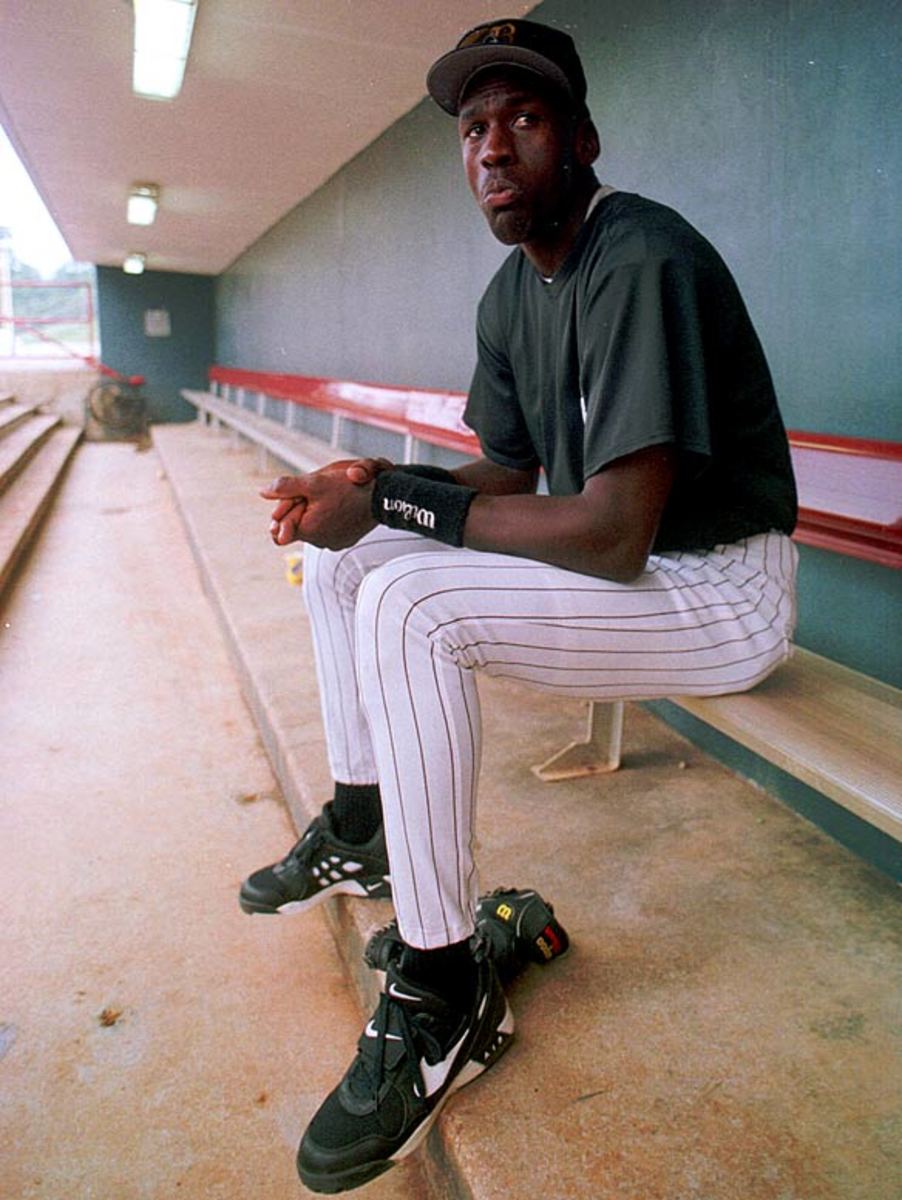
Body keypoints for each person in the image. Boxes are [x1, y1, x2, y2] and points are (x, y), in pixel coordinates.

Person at [240, 18, 798, 1193]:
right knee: (353, 559)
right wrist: (367, 490)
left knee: (408, 598)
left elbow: (607, 531)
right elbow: (506, 470)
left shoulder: (634, 257)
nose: (492, 146)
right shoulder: (511, 291)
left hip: (720, 588)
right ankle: (361, 825)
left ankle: (443, 991)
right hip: (643, 575)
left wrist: (398, 504)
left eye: (523, 119)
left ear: (581, 139)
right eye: (472, 128)